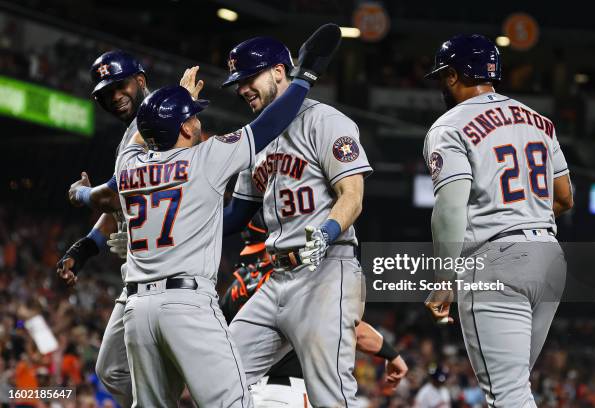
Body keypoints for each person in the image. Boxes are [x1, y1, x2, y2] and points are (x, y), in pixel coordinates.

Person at [114, 24, 342, 407]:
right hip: (186, 304)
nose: (199, 122)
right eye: (193, 117)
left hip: (137, 312)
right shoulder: (206, 158)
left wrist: (84, 192)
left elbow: (138, 136)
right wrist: (306, 76)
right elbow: (267, 125)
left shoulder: (127, 167)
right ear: (186, 126)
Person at [421, 34, 573, 407]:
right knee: (514, 389)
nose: (442, 84)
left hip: (497, 263)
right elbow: (565, 197)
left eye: (444, 76)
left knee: (507, 396)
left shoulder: (449, 125)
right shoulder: (539, 120)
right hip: (549, 259)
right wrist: (523, 219)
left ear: (454, 75)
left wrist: (444, 279)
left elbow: (451, 208)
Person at [221, 33, 373, 407]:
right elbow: (233, 218)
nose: (242, 89)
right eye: (237, 83)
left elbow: (352, 196)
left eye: (248, 78)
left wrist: (326, 231)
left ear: (278, 72)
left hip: (326, 271)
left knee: (331, 397)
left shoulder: (325, 121)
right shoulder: (257, 139)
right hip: (277, 278)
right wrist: (171, 231)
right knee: (218, 376)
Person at [220, 213, 408, 407]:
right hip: (287, 394)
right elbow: (352, 332)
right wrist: (392, 354)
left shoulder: (236, 287)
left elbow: (221, 341)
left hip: (246, 392)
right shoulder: (295, 281)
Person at [56, 49, 151, 407]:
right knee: (112, 369)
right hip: (139, 276)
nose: (115, 97)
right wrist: (83, 250)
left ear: (140, 81)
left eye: (120, 86)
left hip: (170, 272)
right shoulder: (131, 135)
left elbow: (111, 196)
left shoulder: (156, 121)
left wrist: (80, 193)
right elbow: (119, 204)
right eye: (106, 93)